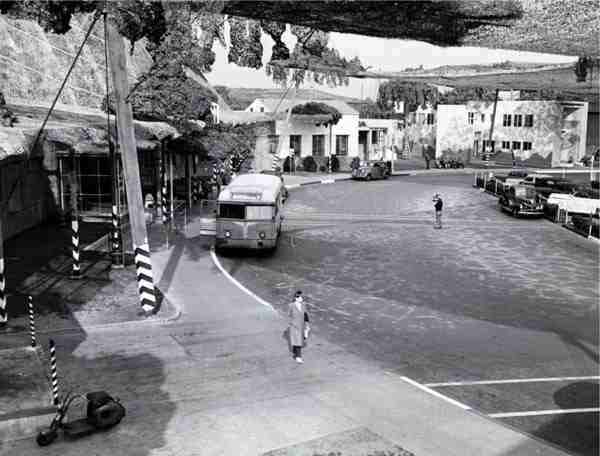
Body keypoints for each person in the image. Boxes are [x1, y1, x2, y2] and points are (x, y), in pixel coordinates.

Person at [288, 291, 309, 363]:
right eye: (300, 297)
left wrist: (307, 324)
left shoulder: (304, 304)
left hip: (302, 325)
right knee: (298, 341)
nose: (302, 298)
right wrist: (292, 323)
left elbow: (306, 314)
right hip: (294, 326)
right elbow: (289, 315)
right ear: (296, 298)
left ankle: (295, 351)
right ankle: (298, 357)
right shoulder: (291, 305)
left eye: (302, 297)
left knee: (299, 340)